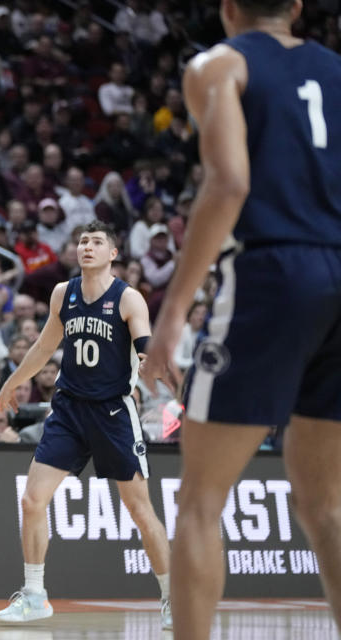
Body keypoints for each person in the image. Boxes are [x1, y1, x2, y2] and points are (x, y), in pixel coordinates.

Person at [141, 2, 341, 638]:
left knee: (201, 502)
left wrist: (172, 314)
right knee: (326, 504)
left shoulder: (218, 64)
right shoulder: (336, 69)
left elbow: (228, 184)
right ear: (298, 7)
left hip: (273, 273)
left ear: (228, 10)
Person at [0, 221, 172, 629]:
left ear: (114, 253)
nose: (86, 247)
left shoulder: (129, 299)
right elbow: (43, 347)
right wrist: (13, 381)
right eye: (82, 241)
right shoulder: (64, 293)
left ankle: (171, 598)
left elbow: (144, 342)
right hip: (70, 410)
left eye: (96, 242)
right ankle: (35, 595)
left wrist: (149, 360)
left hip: (112, 414)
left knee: (140, 510)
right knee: (32, 500)